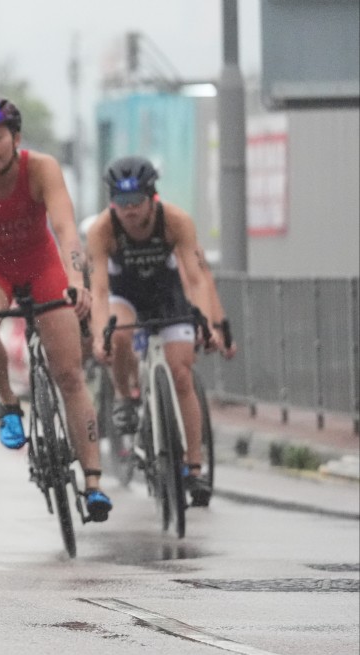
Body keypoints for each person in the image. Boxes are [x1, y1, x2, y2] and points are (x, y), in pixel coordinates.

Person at [0, 97, 112, 521]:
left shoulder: (42, 169)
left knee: (70, 373)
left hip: (42, 266)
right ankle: (7, 402)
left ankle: (93, 482)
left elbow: (66, 228)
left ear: (16, 138)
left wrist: (76, 281)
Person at [86, 156, 237, 506]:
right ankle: (124, 395)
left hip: (166, 295)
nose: (129, 211)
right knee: (119, 334)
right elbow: (100, 291)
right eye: (121, 203)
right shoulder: (102, 230)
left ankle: (194, 467)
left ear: (152, 196)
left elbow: (197, 279)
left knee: (181, 372)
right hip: (125, 294)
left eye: (136, 202)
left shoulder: (176, 221)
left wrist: (207, 323)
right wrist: (98, 335)